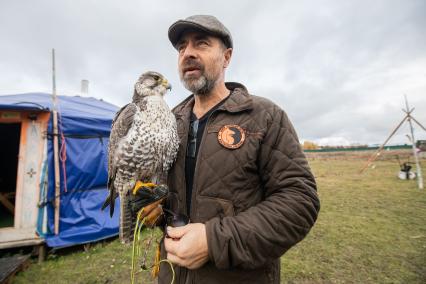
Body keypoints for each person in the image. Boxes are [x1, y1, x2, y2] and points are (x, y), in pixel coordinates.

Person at [158, 15, 320, 284]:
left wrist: (213, 241)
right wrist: (153, 205)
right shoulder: (168, 121)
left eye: (201, 44)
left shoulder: (264, 116)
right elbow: (169, 196)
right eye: (181, 48)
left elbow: (300, 202)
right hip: (171, 275)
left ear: (227, 57)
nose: (188, 53)